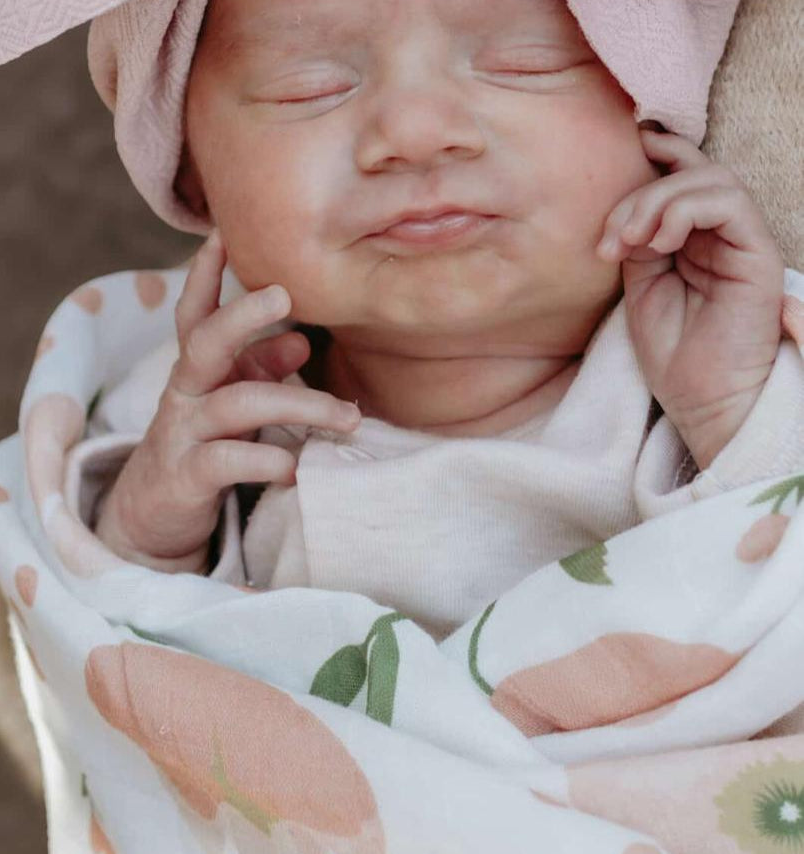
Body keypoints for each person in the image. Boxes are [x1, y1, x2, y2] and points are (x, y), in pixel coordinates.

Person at [68, 0, 804, 640]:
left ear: (656, 112)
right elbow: (90, 673)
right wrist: (150, 536)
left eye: (525, 61)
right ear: (191, 173)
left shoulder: (725, 355)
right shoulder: (192, 411)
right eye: (307, 87)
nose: (417, 131)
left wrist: (735, 417)